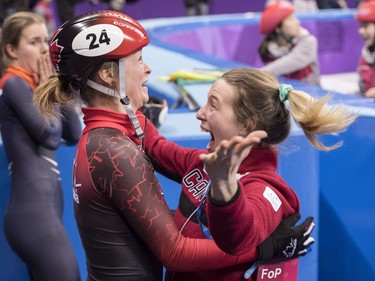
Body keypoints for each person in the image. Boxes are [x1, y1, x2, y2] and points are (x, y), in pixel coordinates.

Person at [33, 10, 315, 281]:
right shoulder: (114, 149)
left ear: (248, 124)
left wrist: (132, 111)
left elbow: (155, 150)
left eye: (213, 104)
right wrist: (265, 248)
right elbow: (176, 251)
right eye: (139, 59)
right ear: (109, 77)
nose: (148, 68)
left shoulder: (108, 138)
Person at [143, 67, 356, 280]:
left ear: (246, 126)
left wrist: (224, 188)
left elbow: (239, 236)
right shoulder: (202, 163)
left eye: (213, 105)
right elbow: (154, 146)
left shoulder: (267, 191)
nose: (200, 113)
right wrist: (126, 96)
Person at [0, 11, 82, 281]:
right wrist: (50, 86)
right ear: (11, 50)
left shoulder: (33, 87)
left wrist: (58, 86)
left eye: (45, 41)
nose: (43, 50)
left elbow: (73, 133)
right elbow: (49, 135)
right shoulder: (13, 84)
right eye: (34, 42)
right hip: (32, 216)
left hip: (45, 212)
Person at [258, 0, 321, 86]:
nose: (297, 22)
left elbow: (294, 59)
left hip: (312, 96)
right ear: (278, 28)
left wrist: (261, 72)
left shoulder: (309, 41)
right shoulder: (270, 51)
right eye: (291, 19)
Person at [355, 0, 375, 98]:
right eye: (361, 26)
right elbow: (362, 90)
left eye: (366, 26)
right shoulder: (366, 54)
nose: (361, 31)